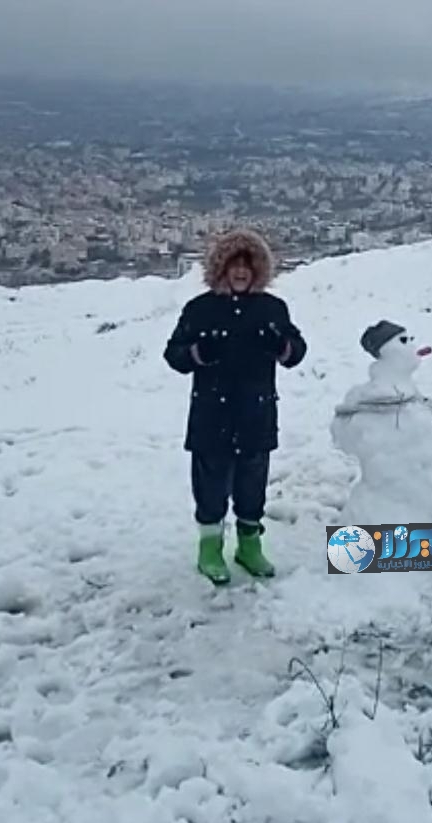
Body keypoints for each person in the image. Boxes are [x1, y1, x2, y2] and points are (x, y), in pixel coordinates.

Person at [164, 228, 307, 585]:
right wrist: (199, 353)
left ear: (258, 269)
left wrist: (282, 345)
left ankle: (249, 547)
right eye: (234, 265)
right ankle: (209, 550)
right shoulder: (200, 309)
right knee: (211, 486)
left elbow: (296, 352)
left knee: (252, 485)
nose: (241, 272)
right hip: (212, 414)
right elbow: (175, 355)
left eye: (248, 265)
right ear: (221, 269)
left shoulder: (273, 308)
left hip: (256, 414)